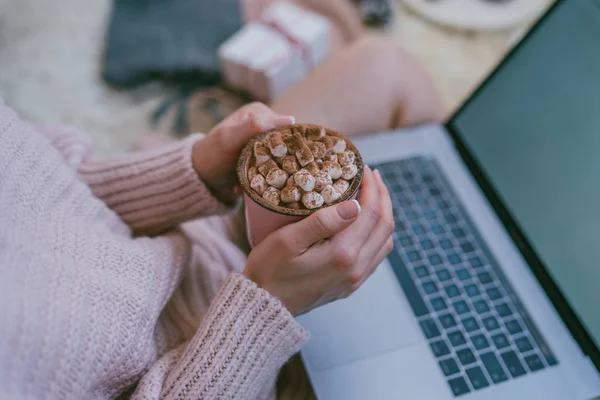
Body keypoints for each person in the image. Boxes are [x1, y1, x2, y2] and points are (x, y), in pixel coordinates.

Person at [0, 35, 443, 399]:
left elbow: (61, 190)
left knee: (384, 63)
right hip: (226, 362)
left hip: (187, 230)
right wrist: (269, 303)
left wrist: (198, 172)